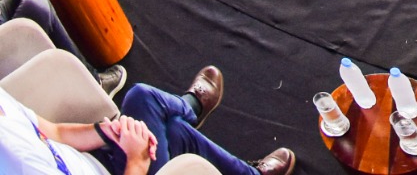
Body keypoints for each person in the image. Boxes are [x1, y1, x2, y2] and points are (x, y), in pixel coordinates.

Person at [0, 62, 296, 174]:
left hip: (98, 163)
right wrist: (137, 160)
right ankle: (189, 108)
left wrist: (106, 132)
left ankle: (189, 109)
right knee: (170, 126)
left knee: (144, 102)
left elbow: (50, 131)